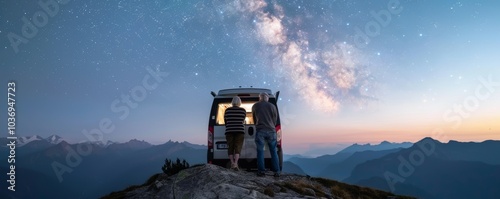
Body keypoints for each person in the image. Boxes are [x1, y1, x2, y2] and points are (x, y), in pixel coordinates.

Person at [252, 92, 280, 177]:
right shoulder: (272, 106)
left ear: (259, 98)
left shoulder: (255, 106)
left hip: (260, 130)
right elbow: (275, 120)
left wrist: (257, 125)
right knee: (273, 151)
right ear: (267, 98)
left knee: (260, 151)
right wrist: (271, 125)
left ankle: (261, 171)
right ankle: (276, 172)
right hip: (271, 130)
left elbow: (254, 119)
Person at [224, 96, 247, 171]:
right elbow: (243, 121)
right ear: (239, 102)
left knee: (230, 147)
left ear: (232, 102)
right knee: (238, 147)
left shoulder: (227, 110)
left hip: (229, 130)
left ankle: (232, 163)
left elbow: (226, 122)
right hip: (240, 131)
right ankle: (236, 163)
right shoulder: (243, 110)